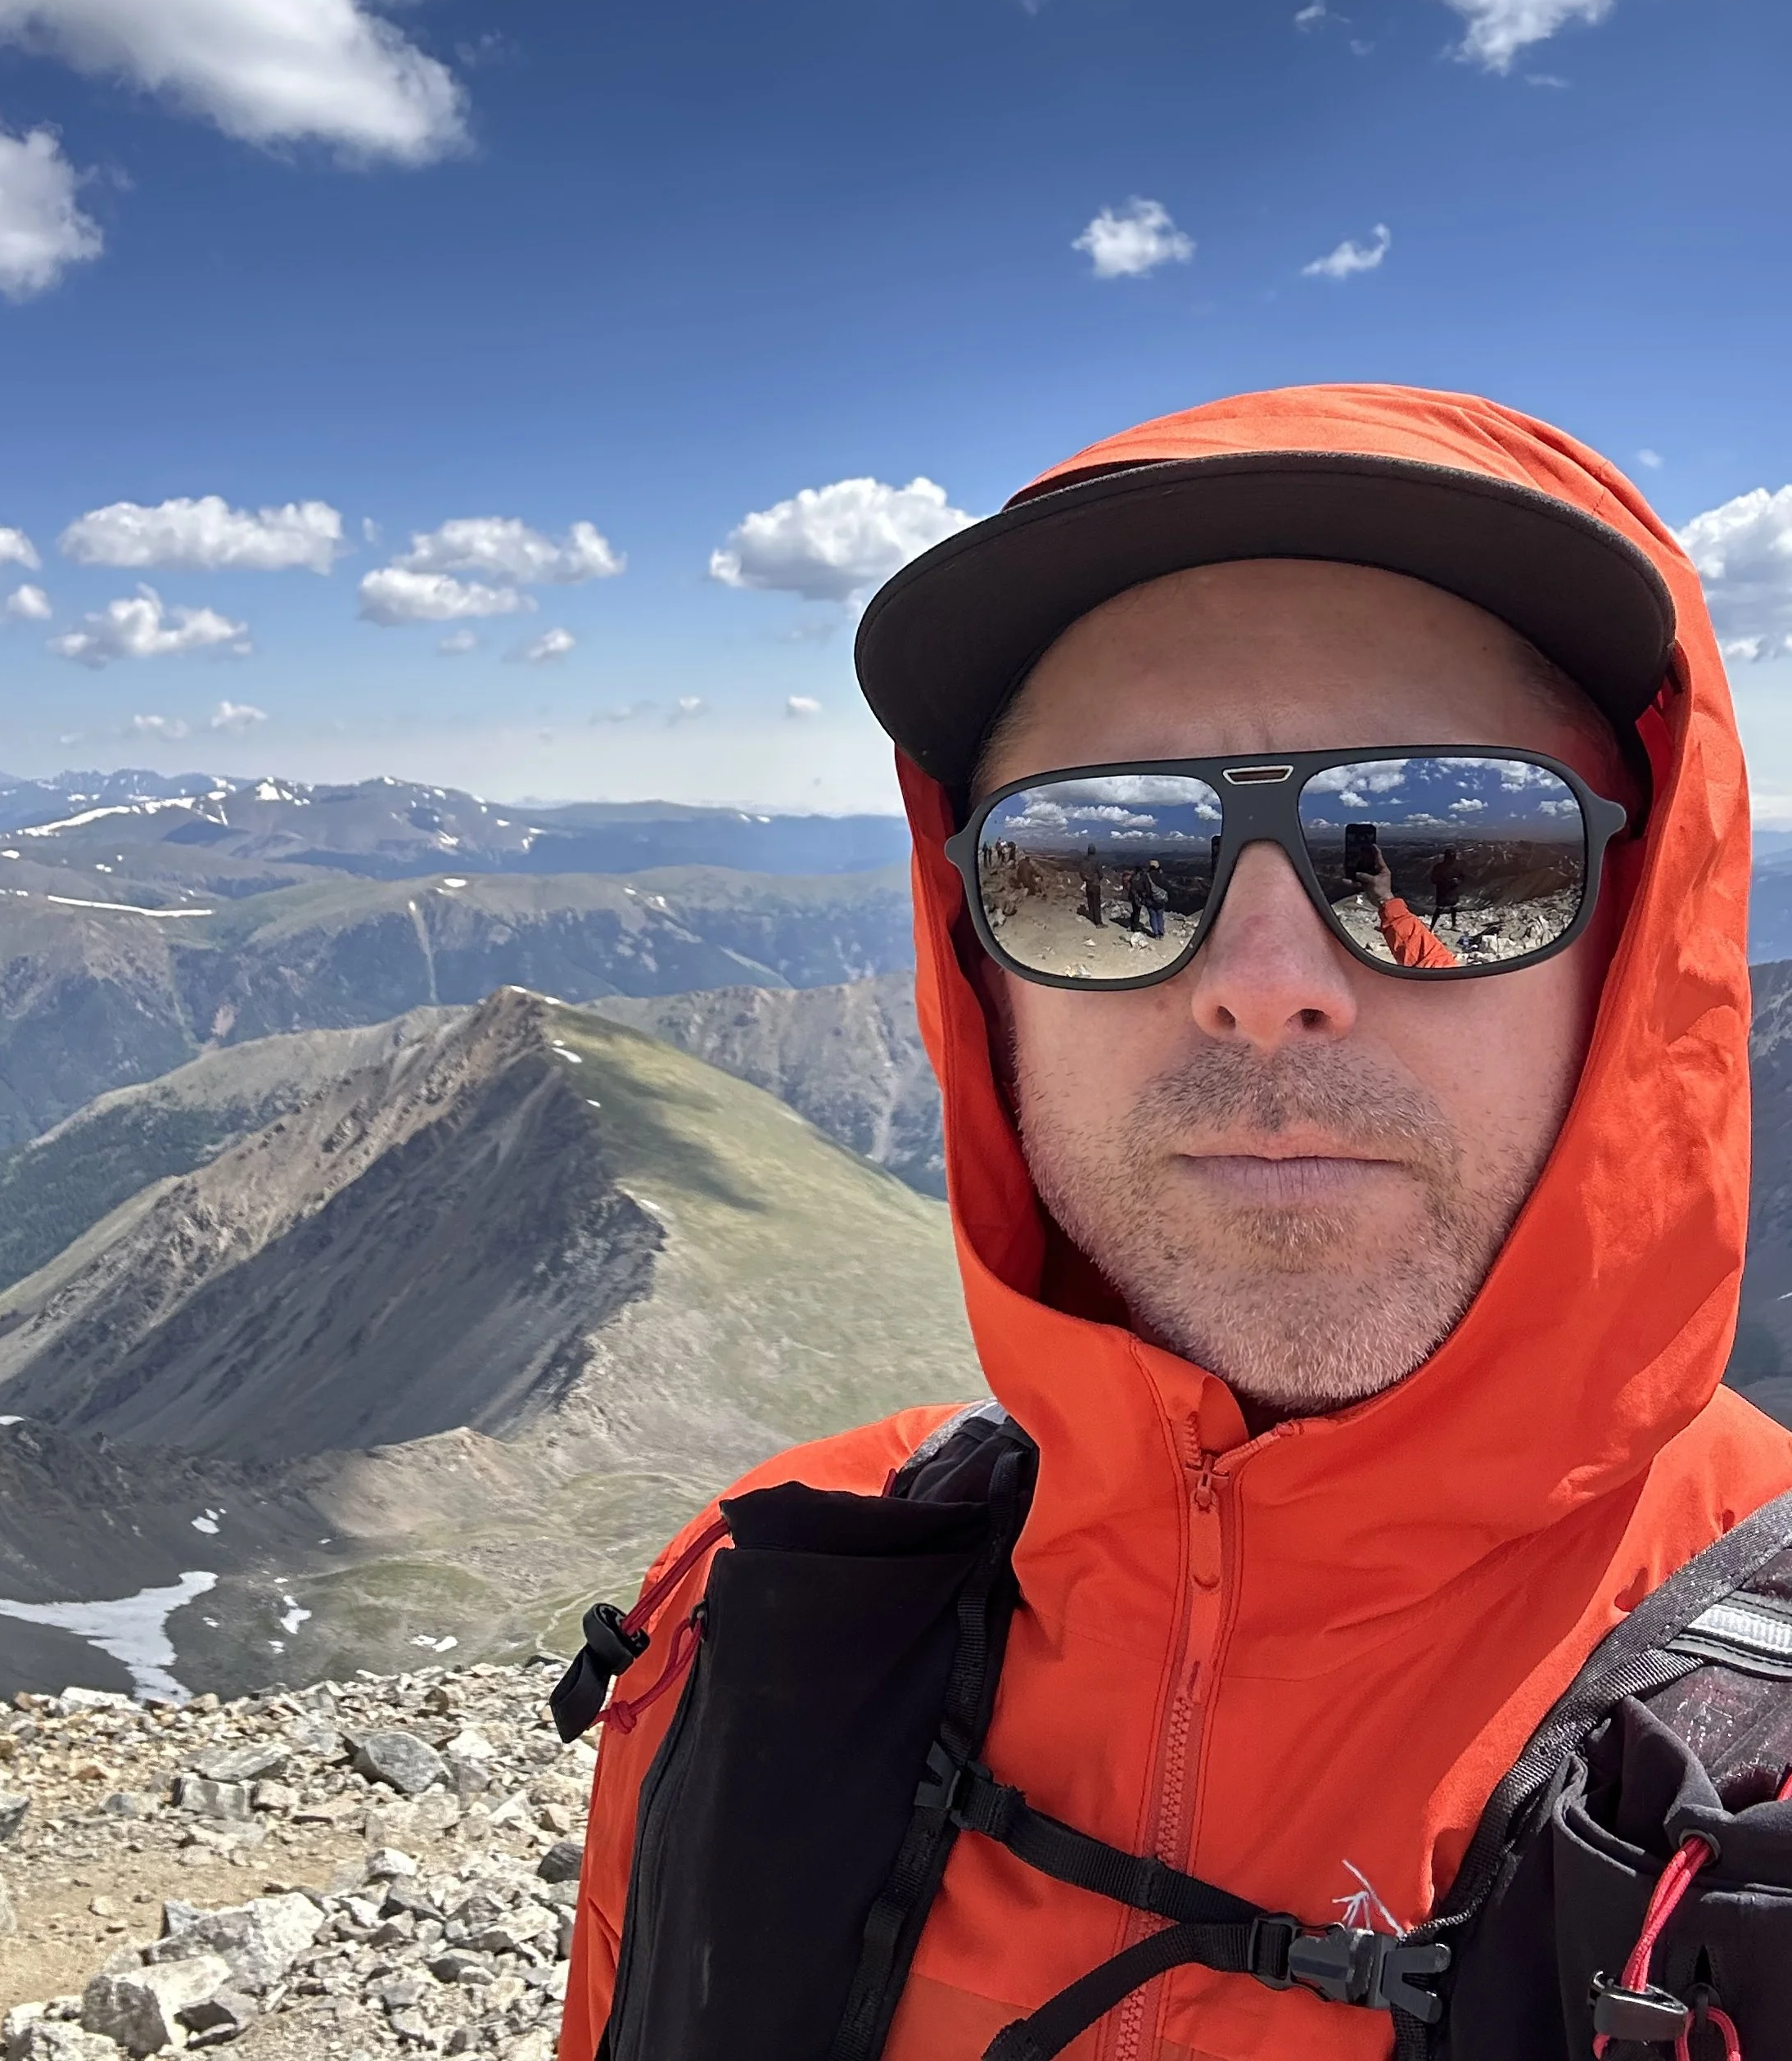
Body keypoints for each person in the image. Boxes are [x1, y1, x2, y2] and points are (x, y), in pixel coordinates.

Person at [558, 386, 1792, 2061]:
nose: (1266, 983)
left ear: (1640, 932)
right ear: (977, 963)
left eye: (1455, 848)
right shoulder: (752, 1615)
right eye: (1097, 865)